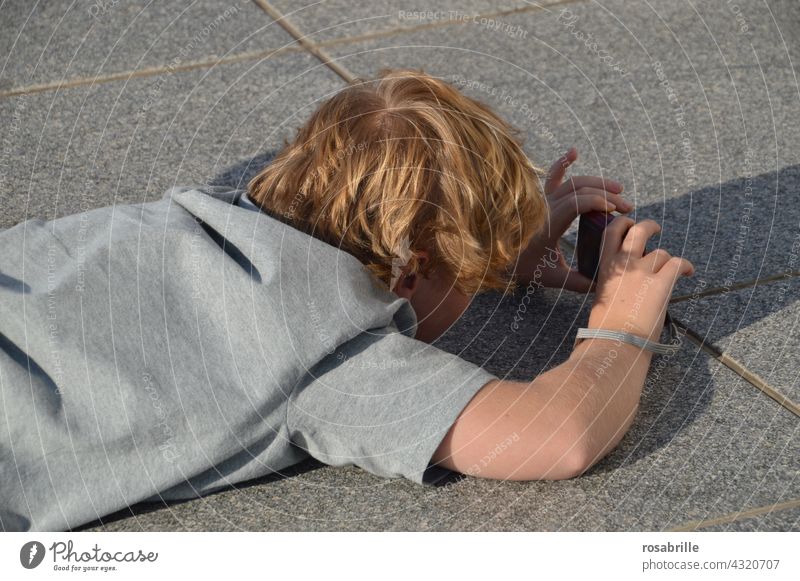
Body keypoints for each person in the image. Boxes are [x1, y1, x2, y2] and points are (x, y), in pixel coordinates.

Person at [0, 68, 694, 532]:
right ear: (409, 270)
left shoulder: (201, 214)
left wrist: (485, 257)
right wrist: (620, 321)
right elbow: (559, 435)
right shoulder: (327, 357)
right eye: (467, 269)